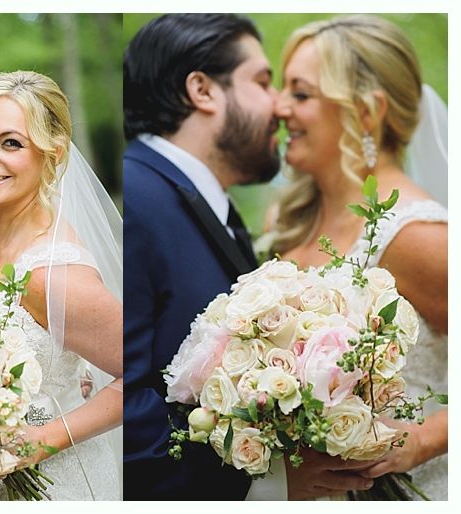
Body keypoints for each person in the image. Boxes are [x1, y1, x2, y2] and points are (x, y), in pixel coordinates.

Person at [123, 14, 377, 500]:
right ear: (202, 90)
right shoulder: (137, 200)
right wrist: (263, 484)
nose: (281, 105)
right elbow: (125, 402)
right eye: (263, 82)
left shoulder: (204, 201)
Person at [268, 15, 448, 500]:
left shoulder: (417, 236)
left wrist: (423, 439)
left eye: (300, 94)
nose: (278, 106)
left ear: (366, 114)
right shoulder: (292, 221)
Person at [0, 71, 123, 501]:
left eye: (11, 143)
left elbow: (144, 373)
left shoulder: (54, 274)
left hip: (54, 486)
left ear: (52, 154)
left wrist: (47, 438)